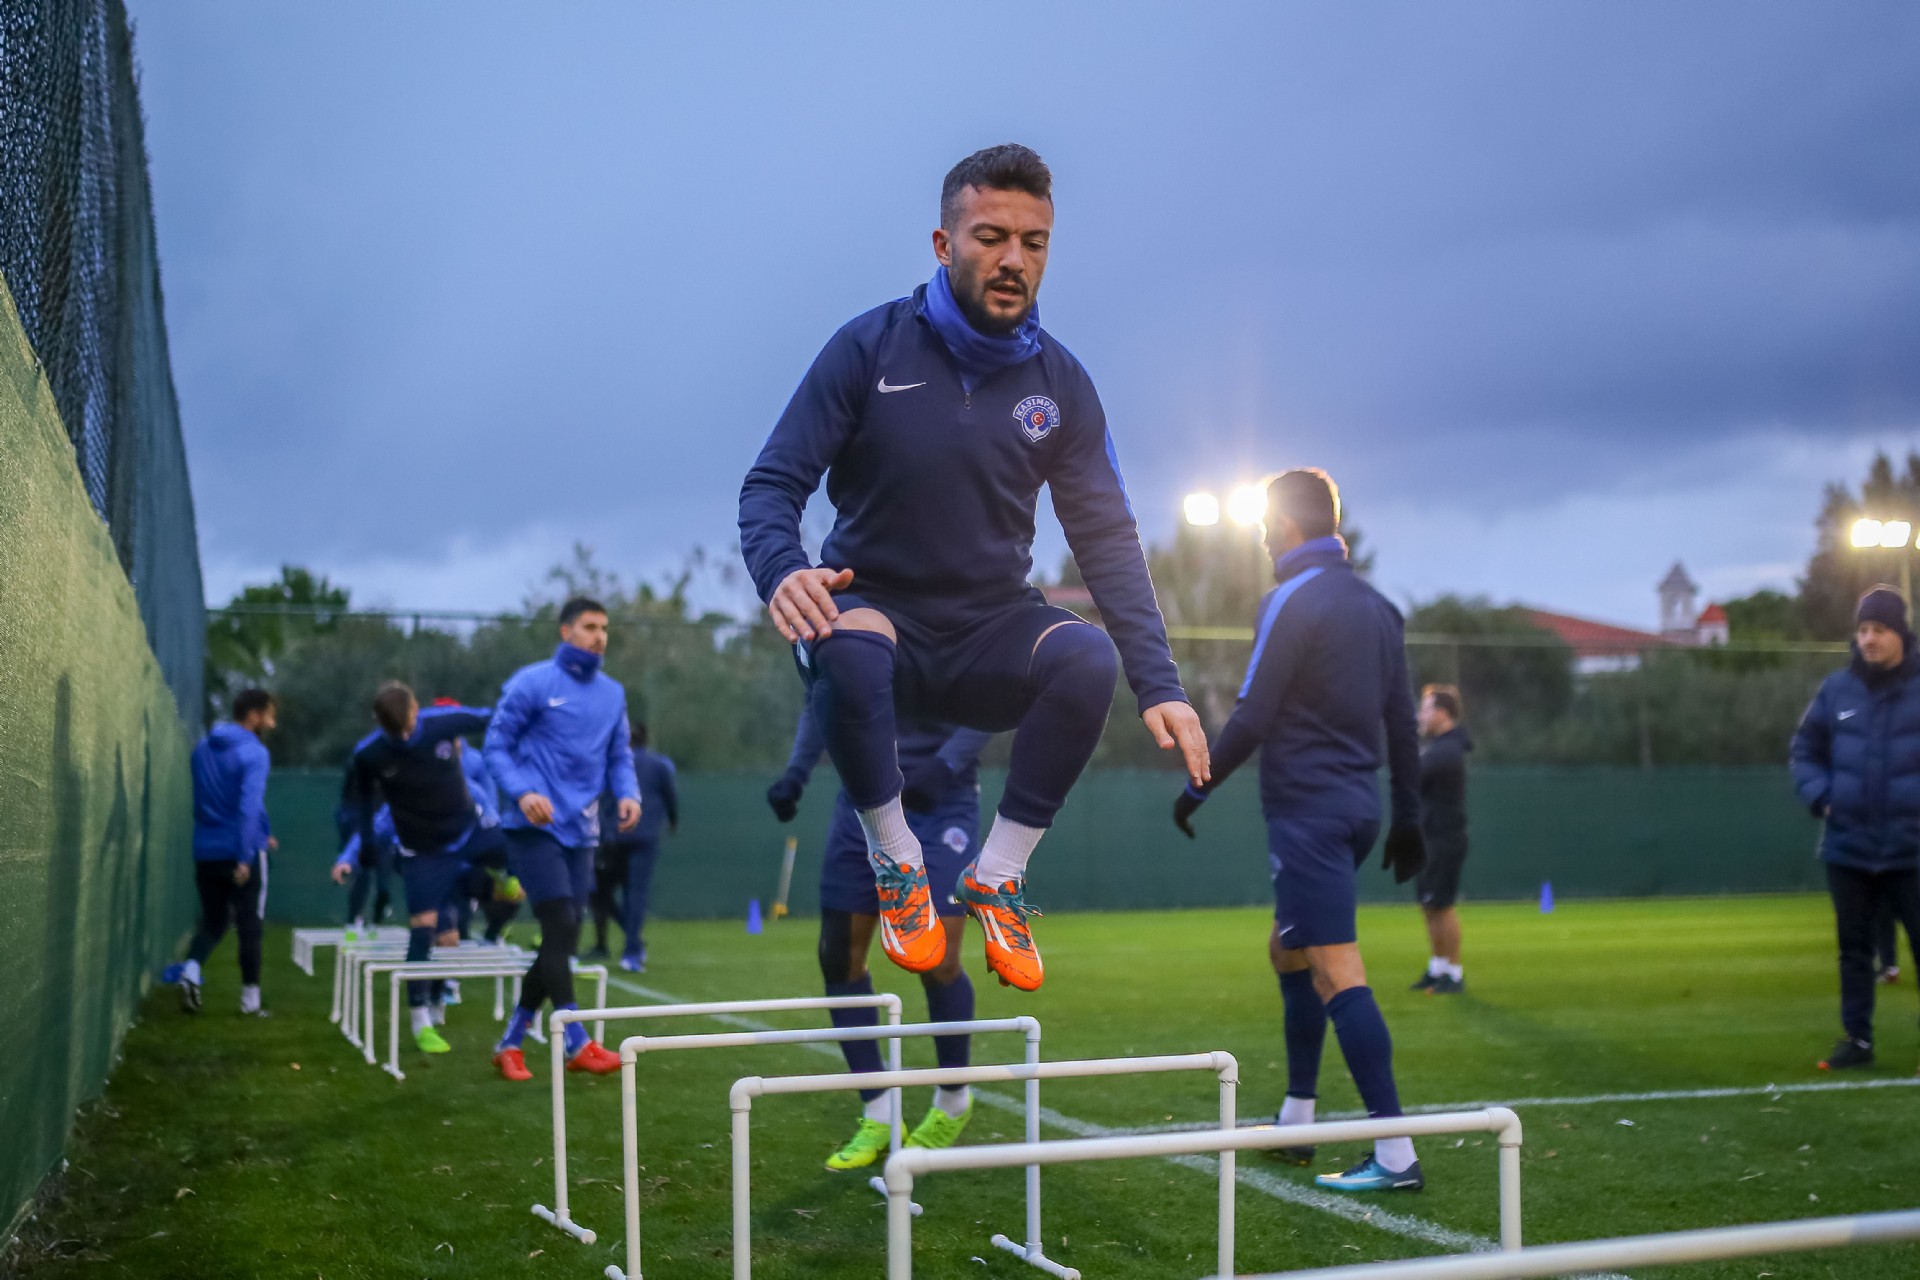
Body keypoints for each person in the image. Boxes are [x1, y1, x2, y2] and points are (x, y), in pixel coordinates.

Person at [738, 143, 1208, 993]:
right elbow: (772, 484)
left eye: (1034, 243)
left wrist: (1161, 683)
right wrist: (783, 571)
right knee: (846, 638)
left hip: (987, 631)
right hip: (874, 620)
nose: (1013, 259)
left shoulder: (1061, 383)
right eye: (991, 237)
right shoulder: (868, 348)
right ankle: (897, 861)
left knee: (1087, 657)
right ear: (943, 242)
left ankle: (998, 875)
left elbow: (1107, 538)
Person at [1171, 468, 1427, 1193]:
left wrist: (1197, 786)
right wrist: (1408, 814)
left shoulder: (1289, 598)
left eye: (1263, 526)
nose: (1259, 537)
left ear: (1284, 526)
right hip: (1356, 810)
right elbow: (1402, 723)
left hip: (1309, 813)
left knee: (1336, 968)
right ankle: (1297, 1121)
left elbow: (1253, 713)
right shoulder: (1380, 608)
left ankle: (1397, 1154)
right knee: (1288, 949)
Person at [768, 704, 991, 1170]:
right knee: (838, 956)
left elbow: (991, 701)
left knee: (938, 959)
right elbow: (819, 697)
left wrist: (946, 764)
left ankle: (954, 1099)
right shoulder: (835, 645)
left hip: (940, 800)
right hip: (863, 800)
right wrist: (796, 772)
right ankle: (879, 1111)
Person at [483, 597, 641, 1081]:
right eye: (590, 627)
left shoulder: (613, 694)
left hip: (583, 831)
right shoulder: (532, 683)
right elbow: (495, 746)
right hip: (534, 828)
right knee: (561, 922)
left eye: (605, 628)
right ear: (565, 631)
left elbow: (619, 755)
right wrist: (522, 791)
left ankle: (511, 1041)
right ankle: (577, 1041)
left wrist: (628, 793)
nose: (599, 636)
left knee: (562, 936)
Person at [1789, 584, 1920, 1071]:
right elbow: (1804, 751)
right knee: (1854, 953)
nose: (1868, 639)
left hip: (1912, 847)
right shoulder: (1836, 690)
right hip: (1849, 846)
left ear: (1900, 633)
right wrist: (1821, 796)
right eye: (1863, 629)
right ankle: (1857, 1041)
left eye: (1879, 629)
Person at [337, 683, 493, 1055]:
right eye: (397, 734)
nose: (406, 738)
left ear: (416, 709)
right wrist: (360, 849)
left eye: (409, 728)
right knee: (428, 927)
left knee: (457, 925)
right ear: (381, 725)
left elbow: (496, 717)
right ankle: (421, 1018)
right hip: (422, 853)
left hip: (466, 838)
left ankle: (443, 993)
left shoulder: (445, 725)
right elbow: (366, 808)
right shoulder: (369, 755)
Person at [174, 688, 278, 1015]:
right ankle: (251, 1002)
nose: (272, 723)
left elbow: (214, 802)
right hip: (239, 850)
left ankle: (191, 970)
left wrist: (263, 832)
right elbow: (248, 806)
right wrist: (246, 855)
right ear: (254, 715)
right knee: (250, 923)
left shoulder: (202, 748)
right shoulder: (255, 753)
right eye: (270, 715)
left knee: (213, 921)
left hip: (206, 849)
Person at [590, 721, 678, 971]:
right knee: (635, 894)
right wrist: (673, 822)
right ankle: (632, 950)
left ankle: (628, 944)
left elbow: (603, 800)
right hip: (645, 837)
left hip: (615, 838)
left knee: (600, 892)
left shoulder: (611, 764)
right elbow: (670, 797)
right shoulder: (659, 765)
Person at [1409, 684, 1471, 996]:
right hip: (1427, 837)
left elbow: (1411, 778)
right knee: (1429, 905)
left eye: (1425, 709)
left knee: (1442, 905)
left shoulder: (1447, 751)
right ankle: (1438, 968)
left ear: (1442, 713)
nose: (1420, 715)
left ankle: (1454, 974)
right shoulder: (1436, 747)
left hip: (1443, 839)